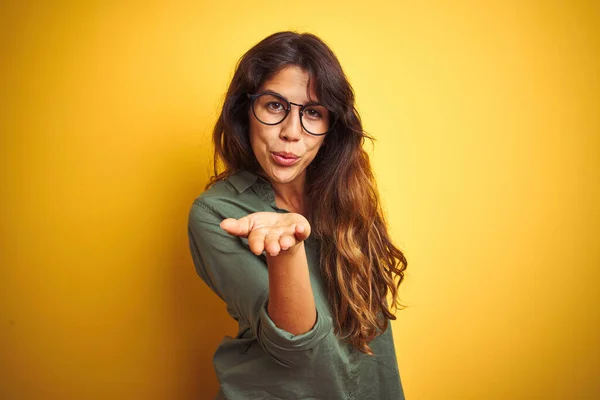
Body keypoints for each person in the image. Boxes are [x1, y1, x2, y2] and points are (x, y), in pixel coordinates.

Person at [187, 31, 408, 400]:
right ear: (246, 109)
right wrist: (287, 251)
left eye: (313, 113)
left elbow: (376, 341)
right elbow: (295, 347)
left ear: (330, 128)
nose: (292, 133)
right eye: (275, 106)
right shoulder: (215, 213)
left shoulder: (349, 198)